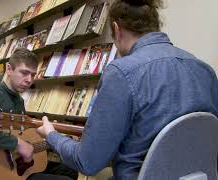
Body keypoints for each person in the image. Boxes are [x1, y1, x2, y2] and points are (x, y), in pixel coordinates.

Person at [36, 0, 218, 179]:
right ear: (154, 26)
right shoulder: (206, 71)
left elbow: (87, 162)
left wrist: (52, 135)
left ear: (116, 29)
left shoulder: (121, 72)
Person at [0, 48, 78, 180]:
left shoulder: (19, 101)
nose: (29, 80)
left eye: (33, 75)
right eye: (24, 73)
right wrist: (17, 144)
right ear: (9, 69)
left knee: (69, 171)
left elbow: (21, 134)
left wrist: (53, 138)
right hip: (3, 169)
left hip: (20, 166)